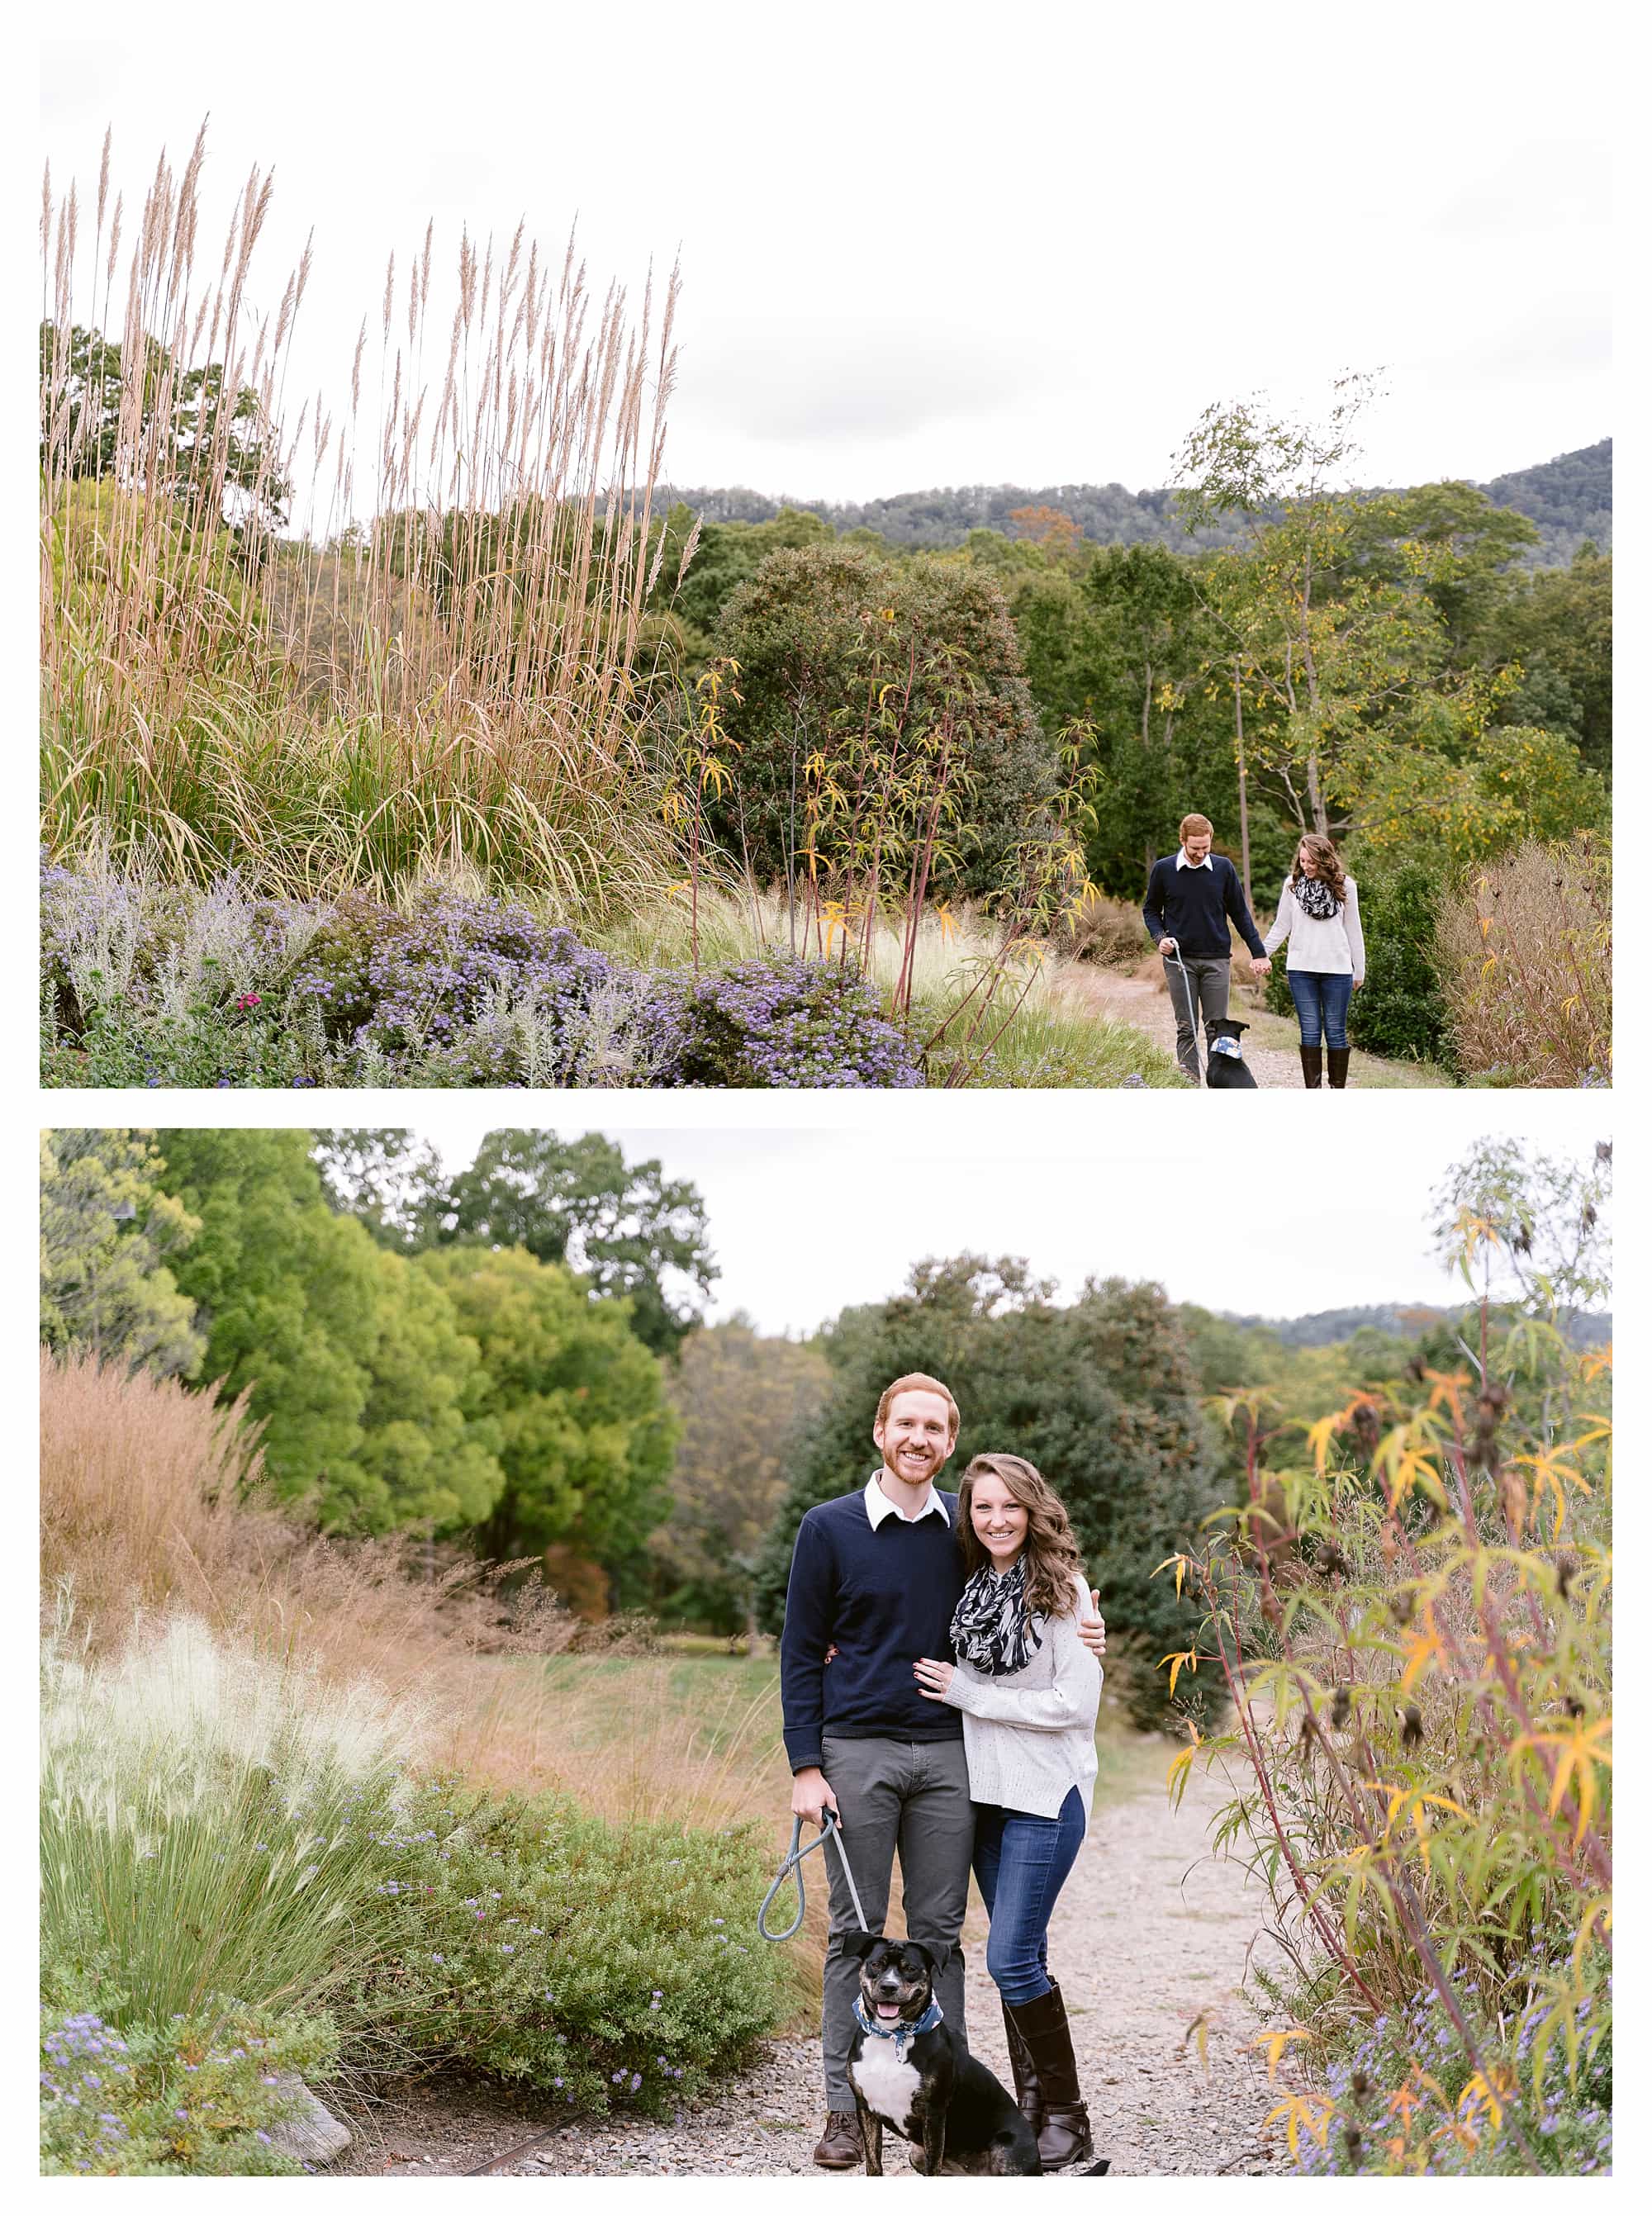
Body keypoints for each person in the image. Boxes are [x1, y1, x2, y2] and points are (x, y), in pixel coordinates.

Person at [779, 1377, 1105, 2171]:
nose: (918, 1438)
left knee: (941, 1941)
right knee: (850, 1939)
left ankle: (944, 2115)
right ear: (880, 1430)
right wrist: (806, 1766)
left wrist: (1089, 1616)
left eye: (935, 1427)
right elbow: (799, 1649)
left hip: (953, 1755)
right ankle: (843, 2115)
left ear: (950, 1441)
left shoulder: (967, 1523)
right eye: (906, 1424)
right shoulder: (828, 1528)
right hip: (855, 1751)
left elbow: (1033, 1569)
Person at [913, 1454, 1105, 2173]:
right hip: (987, 1801)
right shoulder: (978, 1587)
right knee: (1024, 1957)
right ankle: (1033, 2115)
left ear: (1033, 1510)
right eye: (983, 1507)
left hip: (1045, 1800)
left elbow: (1071, 1705)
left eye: (1010, 1506)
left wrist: (970, 1692)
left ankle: (1072, 2119)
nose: (996, 1520)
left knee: (1010, 1958)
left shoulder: (1064, 1591)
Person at [1142, 814, 1270, 1084]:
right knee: (1186, 1028)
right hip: (1179, 961)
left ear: (1211, 840)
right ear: (1182, 841)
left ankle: (1219, 1087)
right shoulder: (1164, 869)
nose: (1200, 854)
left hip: (1217, 961)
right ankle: (1189, 1084)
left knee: (1218, 1032)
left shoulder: (1224, 869)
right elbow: (1151, 910)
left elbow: (1240, 914)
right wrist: (1159, 937)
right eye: (1194, 848)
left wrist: (1258, 952)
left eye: (1205, 848)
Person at [1260, 832, 1365, 1089]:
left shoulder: (1346, 886)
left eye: (1311, 862)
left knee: (1335, 1031)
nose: (1306, 866)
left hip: (1338, 971)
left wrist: (1359, 970)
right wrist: (1261, 953)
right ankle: (1313, 1090)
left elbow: (1354, 930)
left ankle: (1337, 1089)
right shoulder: (1292, 886)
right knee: (1309, 1031)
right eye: (1303, 861)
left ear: (1324, 860)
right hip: (1301, 970)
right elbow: (1281, 926)